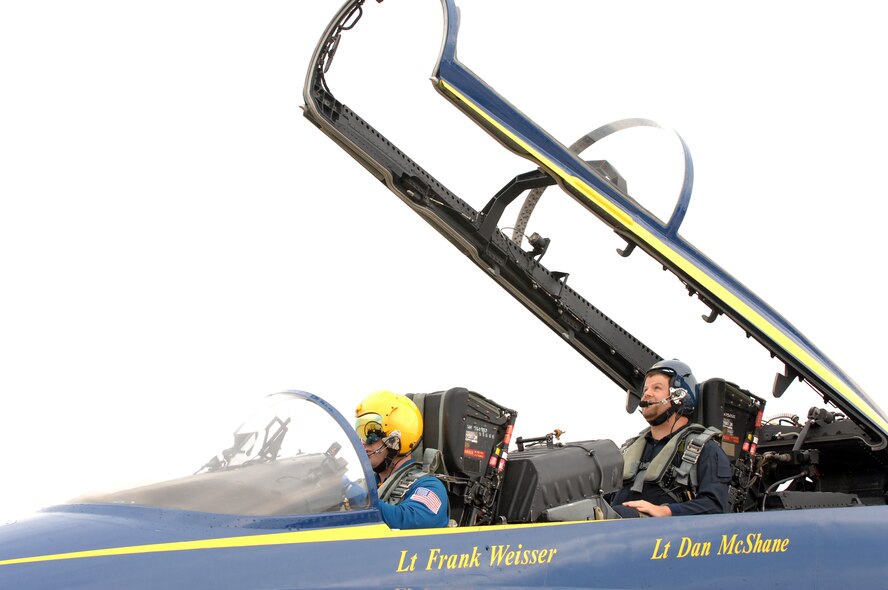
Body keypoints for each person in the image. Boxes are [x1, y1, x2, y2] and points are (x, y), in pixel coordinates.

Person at [610, 359, 732, 517]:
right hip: (611, 530)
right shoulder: (628, 449)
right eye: (646, 388)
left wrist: (665, 511)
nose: (646, 393)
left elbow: (715, 506)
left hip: (666, 538)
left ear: (679, 396)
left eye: (657, 388)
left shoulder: (706, 450)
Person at [354, 390, 449, 529]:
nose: (363, 444)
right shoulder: (368, 485)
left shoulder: (430, 487)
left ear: (395, 440)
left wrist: (361, 499)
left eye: (371, 436)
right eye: (361, 435)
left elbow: (406, 520)